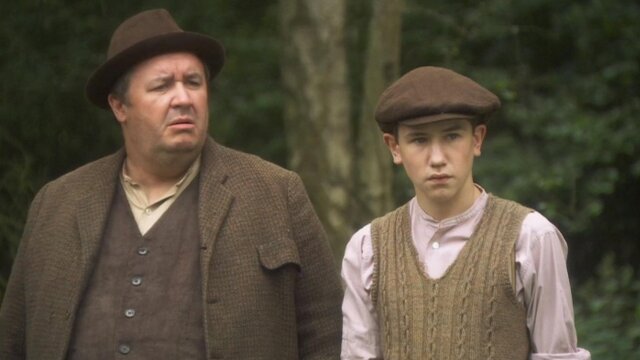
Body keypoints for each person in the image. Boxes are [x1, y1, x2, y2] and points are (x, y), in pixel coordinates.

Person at [0, 8, 342, 359]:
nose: (183, 99)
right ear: (119, 106)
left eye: (193, 83)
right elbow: (12, 341)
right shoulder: (57, 203)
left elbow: (328, 335)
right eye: (162, 86)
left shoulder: (276, 192)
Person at [340, 66, 591, 359]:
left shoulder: (530, 238)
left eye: (451, 137)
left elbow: (557, 355)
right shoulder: (368, 248)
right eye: (419, 140)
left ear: (477, 139)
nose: (437, 158)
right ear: (394, 148)